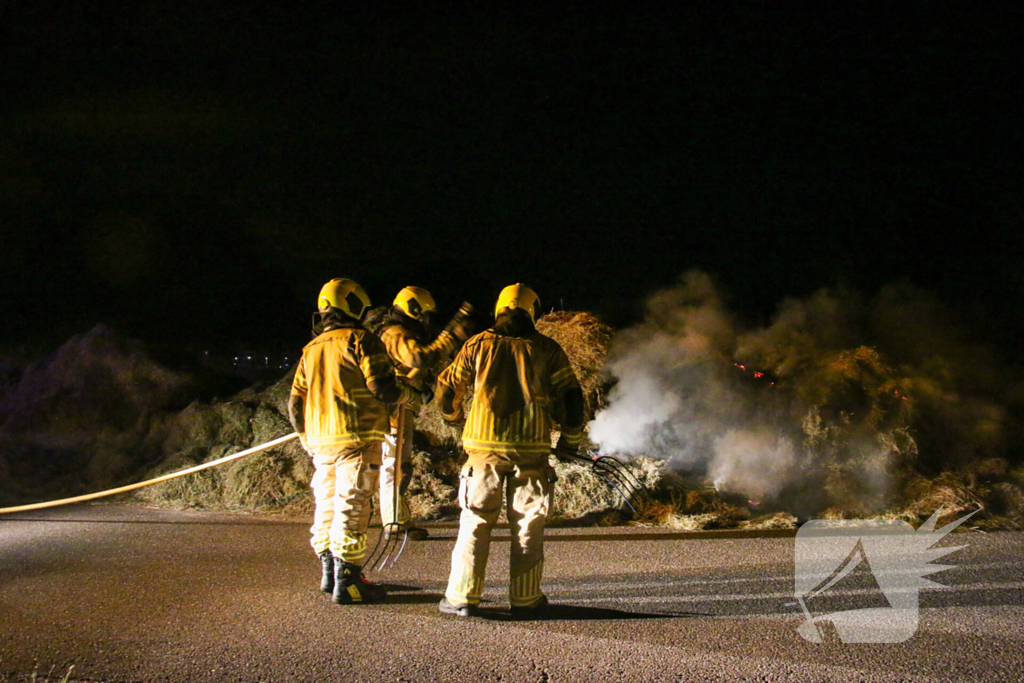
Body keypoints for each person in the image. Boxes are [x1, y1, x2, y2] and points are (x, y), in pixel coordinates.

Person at [436, 283, 584, 617]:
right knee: (528, 525)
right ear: (532, 310)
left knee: (475, 521)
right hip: (531, 452)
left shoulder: (476, 345)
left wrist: (455, 419)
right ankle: (526, 599)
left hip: (483, 452)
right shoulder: (547, 348)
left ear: (499, 309)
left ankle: (462, 599)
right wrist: (569, 442)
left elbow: (447, 388)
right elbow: (572, 398)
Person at [288, 277, 416, 604]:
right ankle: (350, 583)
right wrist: (408, 394)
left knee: (327, 503)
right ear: (353, 305)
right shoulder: (361, 339)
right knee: (353, 505)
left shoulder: (310, 349)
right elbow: (381, 388)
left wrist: (307, 439)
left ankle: (329, 574)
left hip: (321, 441)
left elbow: (294, 405)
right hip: (357, 437)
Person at [377, 287, 475, 540]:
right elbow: (419, 358)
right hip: (394, 407)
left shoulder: (399, 332)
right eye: (425, 314)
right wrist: (450, 338)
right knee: (395, 464)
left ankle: (393, 517)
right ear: (415, 309)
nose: (425, 320)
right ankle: (394, 522)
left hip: (401, 404)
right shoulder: (395, 333)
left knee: (397, 464)